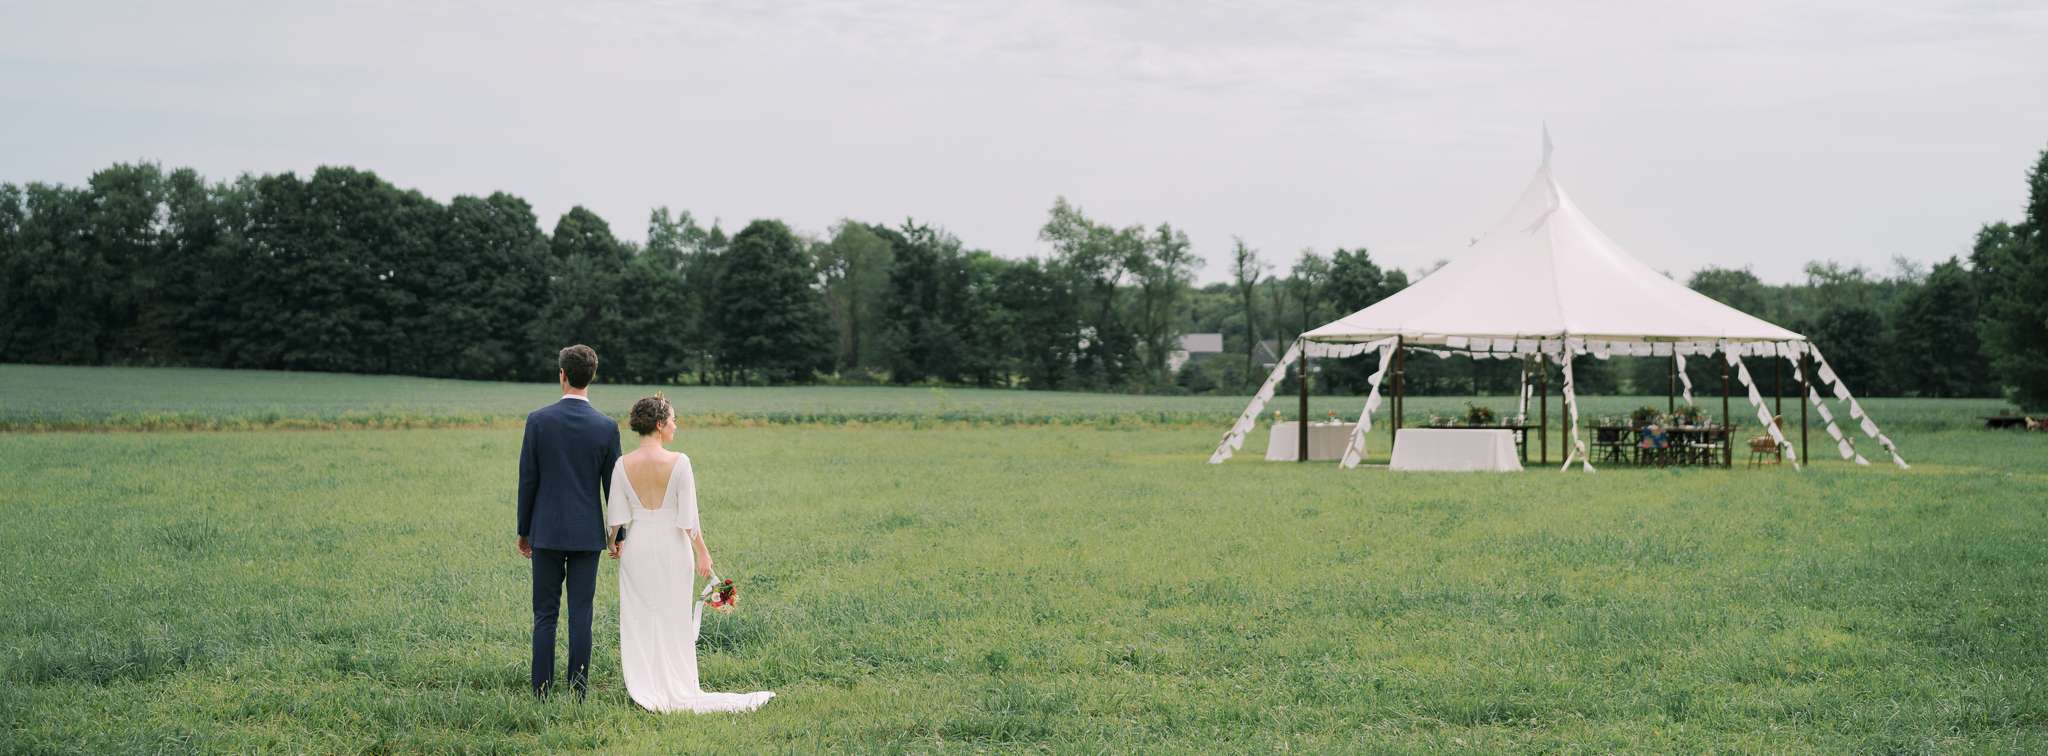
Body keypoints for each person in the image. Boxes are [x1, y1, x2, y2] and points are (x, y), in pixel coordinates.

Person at [607, 395, 775, 713]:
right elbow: (689, 520)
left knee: (641, 616)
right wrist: (703, 554)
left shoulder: (622, 464)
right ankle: (676, 682)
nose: (675, 425)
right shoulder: (679, 462)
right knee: (673, 615)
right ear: (659, 425)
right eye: (672, 420)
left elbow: (615, 517)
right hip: (673, 548)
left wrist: (613, 543)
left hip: (638, 548)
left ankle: (646, 682)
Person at [516, 344, 621, 700]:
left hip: (545, 531)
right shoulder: (607, 427)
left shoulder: (538, 421)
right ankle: (578, 691)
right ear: (591, 376)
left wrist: (523, 530)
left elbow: (527, 479)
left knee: (545, 614)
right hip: (587, 536)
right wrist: (619, 534)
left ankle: (541, 691)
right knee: (581, 614)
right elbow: (615, 488)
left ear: (562, 375)